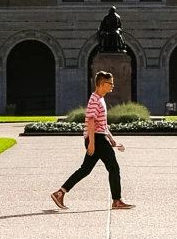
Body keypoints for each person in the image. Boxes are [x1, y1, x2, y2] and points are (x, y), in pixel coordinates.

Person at [52, 69, 133, 210]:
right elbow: (90, 120)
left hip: (99, 138)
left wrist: (112, 140)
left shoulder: (100, 99)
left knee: (85, 170)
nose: (112, 86)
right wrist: (92, 143)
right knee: (114, 168)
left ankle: (60, 193)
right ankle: (117, 200)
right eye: (110, 83)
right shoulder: (95, 99)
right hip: (96, 139)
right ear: (101, 84)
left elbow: (101, 124)